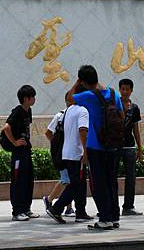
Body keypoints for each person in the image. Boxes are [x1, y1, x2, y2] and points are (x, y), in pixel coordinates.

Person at [72, 65, 123, 230]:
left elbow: (70, 98)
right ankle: (114, 217)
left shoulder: (89, 96)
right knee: (111, 182)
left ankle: (105, 219)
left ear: (83, 82)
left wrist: (77, 82)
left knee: (99, 184)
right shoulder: (114, 94)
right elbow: (121, 115)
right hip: (113, 146)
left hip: (96, 146)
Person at [45, 87, 93, 224]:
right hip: (77, 153)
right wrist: (86, 151)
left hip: (67, 153)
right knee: (76, 184)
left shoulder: (68, 110)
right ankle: (56, 208)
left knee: (80, 184)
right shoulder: (83, 111)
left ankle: (81, 212)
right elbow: (83, 131)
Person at [3, 85, 39, 221]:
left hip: (26, 150)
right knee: (18, 181)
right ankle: (17, 211)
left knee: (28, 180)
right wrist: (14, 142)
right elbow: (6, 127)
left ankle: (26, 209)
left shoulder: (28, 111)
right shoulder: (17, 111)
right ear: (25, 99)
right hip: (18, 152)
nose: (34, 99)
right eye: (32, 97)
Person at [44, 94, 77, 218]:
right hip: (62, 154)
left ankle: (67, 207)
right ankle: (51, 199)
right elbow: (48, 132)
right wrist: (56, 146)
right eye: (71, 100)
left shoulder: (76, 115)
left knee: (68, 180)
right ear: (66, 101)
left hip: (71, 153)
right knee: (66, 180)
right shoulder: (60, 115)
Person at [117, 78, 143, 216]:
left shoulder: (134, 108)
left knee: (131, 177)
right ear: (119, 90)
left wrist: (140, 148)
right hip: (115, 146)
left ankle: (128, 207)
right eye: (123, 89)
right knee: (111, 176)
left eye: (127, 89)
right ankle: (111, 207)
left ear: (131, 90)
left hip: (129, 146)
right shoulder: (114, 105)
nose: (125, 91)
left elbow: (136, 129)